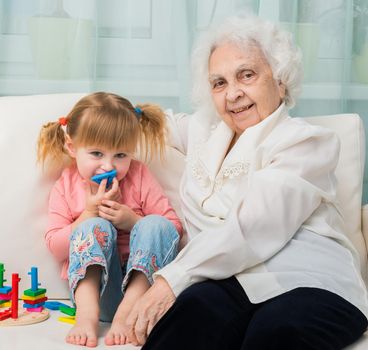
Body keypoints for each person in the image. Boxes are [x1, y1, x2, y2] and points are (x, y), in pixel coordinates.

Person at [122, 14, 368, 350]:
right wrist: (79, 125)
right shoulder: (202, 131)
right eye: (219, 83)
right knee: (187, 322)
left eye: (247, 75)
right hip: (225, 281)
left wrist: (171, 280)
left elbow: (255, 225)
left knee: (274, 334)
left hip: (308, 281)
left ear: (280, 80)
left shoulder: (308, 142)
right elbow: (140, 123)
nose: (233, 93)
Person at [37, 92, 183, 347]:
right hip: (98, 293)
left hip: (144, 293)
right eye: (96, 153)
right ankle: (86, 317)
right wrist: (88, 213)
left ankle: (127, 314)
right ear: (72, 147)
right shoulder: (67, 184)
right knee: (93, 225)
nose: (108, 166)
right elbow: (56, 246)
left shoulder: (138, 175)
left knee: (156, 223)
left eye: (120, 155)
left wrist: (133, 221)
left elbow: (173, 230)